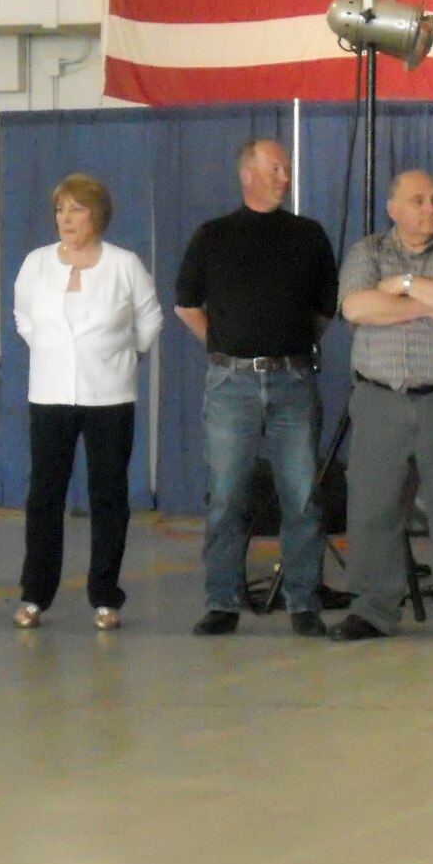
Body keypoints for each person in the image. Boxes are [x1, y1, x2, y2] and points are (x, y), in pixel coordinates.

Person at [173, 138, 339, 638]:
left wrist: (284, 349)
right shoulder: (212, 236)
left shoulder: (309, 235)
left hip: (292, 380)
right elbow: (187, 305)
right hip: (231, 383)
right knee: (226, 496)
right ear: (247, 173)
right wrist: (226, 349)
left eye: (287, 168)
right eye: (275, 168)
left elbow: (323, 311)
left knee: (302, 495)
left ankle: (303, 600)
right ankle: (222, 601)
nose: (284, 176)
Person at [329, 170, 433, 644]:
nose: (431, 209)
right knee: (372, 508)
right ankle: (372, 610)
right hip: (380, 399)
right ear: (393, 209)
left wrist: (400, 289)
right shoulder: (368, 253)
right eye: (418, 201)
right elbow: (356, 308)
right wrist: (426, 301)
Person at [10, 174, 164, 630]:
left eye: (75, 210)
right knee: (44, 496)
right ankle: (35, 594)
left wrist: (124, 355)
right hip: (50, 394)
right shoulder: (36, 263)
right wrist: (52, 352)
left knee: (108, 495)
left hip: (110, 396)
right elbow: (23, 317)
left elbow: (149, 319)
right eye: (60, 210)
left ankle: (105, 596)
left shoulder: (124, 264)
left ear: (96, 215)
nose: (65, 219)